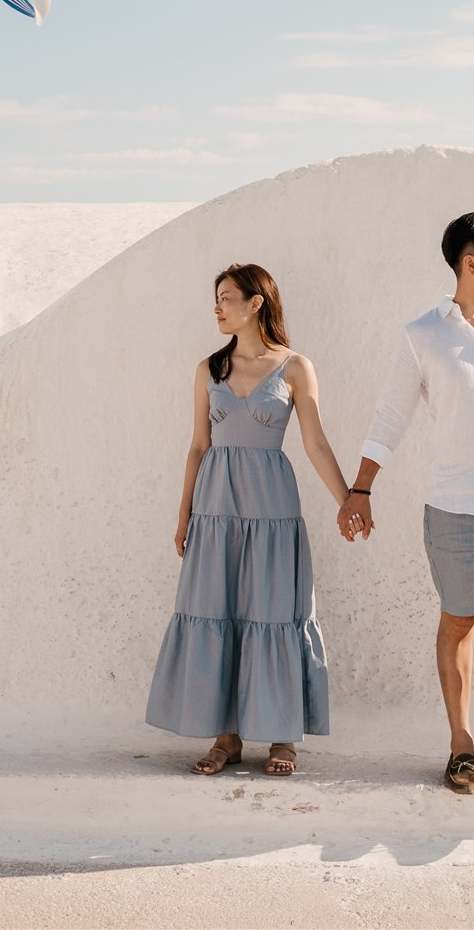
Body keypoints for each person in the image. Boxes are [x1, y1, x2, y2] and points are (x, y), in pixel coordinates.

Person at [337, 211, 474, 798]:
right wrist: (360, 488)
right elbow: (391, 414)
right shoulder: (423, 335)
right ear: (471, 262)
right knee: (459, 622)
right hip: (456, 504)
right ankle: (462, 747)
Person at [146, 263, 355, 777]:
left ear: (255, 302)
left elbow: (316, 442)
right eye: (215, 300)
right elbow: (198, 446)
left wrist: (348, 500)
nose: (217, 308)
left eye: (226, 298)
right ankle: (227, 736)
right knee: (220, 611)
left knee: (273, 613)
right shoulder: (209, 369)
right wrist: (184, 515)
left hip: (272, 510)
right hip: (216, 510)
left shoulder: (295, 367)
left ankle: (283, 736)